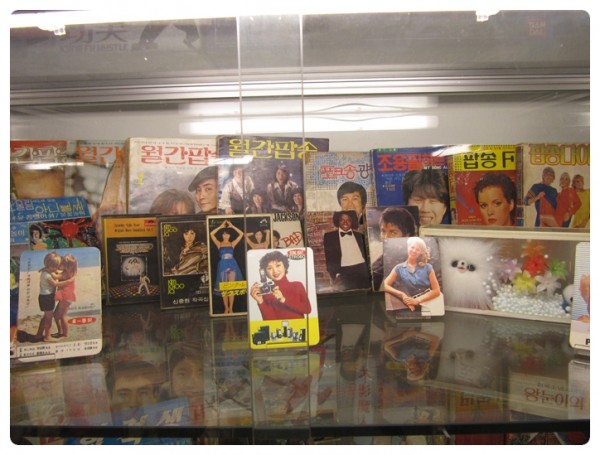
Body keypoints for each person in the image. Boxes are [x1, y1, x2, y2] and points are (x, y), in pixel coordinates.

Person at [383, 236, 441, 313]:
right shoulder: (399, 268)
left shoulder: (428, 267)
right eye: (412, 247)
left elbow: (436, 291)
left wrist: (417, 300)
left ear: (420, 252)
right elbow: (385, 285)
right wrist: (402, 294)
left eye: (417, 249)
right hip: (412, 303)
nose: (414, 251)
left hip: (432, 300)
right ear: (408, 247)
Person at [249, 250, 311, 320]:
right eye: (269, 268)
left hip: (299, 326)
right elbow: (270, 321)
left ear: (285, 266)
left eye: (278, 265)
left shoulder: (297, 285)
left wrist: (284, 300)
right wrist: (260, 302)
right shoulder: (267, 292)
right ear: (265, 272)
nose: (275, 271)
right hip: (278, 327)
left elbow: (308, 309)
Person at [371, 207, 419, 290]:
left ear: (407, 235)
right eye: (383, 231)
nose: (386, 237)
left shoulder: (416, 263)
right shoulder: (380, 260)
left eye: (393, 233)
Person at [323, 211, 370, 291]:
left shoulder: (360, 236)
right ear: (338, 221)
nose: (345, 222)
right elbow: (330, 258)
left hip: (361, 270)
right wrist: (336, 275)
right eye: (342, 220)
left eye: (348, 220)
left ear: (352, 221)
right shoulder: (329, 237)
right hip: (344, 273)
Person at [163, 343, 205, 423]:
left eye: (200, 374)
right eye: (182, 374)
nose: (191, 384)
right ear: (170, 376)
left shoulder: (212, 409)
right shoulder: (159, 409)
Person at [210, 220, 245, 314]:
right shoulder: (219, 243)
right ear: (222, 235)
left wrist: (232, 226)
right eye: (224, 234)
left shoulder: (232, 243)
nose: (226, 236)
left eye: (227, 234)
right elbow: (211, 234)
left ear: (230, 235)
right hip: (222, 265)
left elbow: (241, 234)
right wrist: (220, 226)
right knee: (224, 288)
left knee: (231, 288)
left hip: (232, 265)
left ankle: (231, 308)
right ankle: (226, 308)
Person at [34, 251, 63, 342]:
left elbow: (55, 274)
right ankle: (47, 337)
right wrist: (66, 282)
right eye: (54, 266)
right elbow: (55, 284)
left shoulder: (48, 271)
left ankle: (39, 334)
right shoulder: (46, 275)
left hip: (45, 297)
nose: (56, 268)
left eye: (57, 266)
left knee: (46, 317)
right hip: (47, 298)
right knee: (48, 318)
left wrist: (59, 273)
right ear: (48, 265)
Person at [52, 253, 77, 339]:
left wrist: (48, 270)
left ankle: (65, 334)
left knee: (63, 316)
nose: (59, 265)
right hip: (65, 296)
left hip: (66, 296)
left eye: (61, 264)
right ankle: (60, 331)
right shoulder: (69, 273)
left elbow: (56, 276)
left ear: (67, 266)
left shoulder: (67, 274)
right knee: (56, 315)